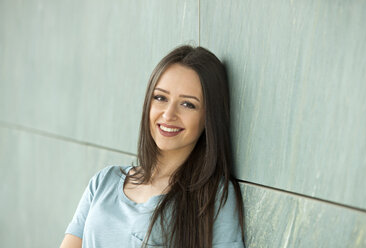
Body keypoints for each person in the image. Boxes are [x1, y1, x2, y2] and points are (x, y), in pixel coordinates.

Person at [60, 45, 245, 248]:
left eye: (188, 104)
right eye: (160, 98)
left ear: (208, 117)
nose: (168, 114)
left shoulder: (213, 198)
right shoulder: (104, 182)